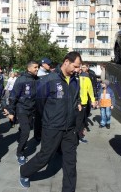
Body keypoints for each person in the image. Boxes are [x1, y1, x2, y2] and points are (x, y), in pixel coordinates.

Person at [19, 52, 82, 191]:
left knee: (71, 162)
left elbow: (75, 99)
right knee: (45, 156)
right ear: (66, 62)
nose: (77, 70)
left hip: (70, 129)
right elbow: (40, 104)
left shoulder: (75, 81)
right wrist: (50, 118)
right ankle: (24, 172)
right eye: (75, 66)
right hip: (52, 126)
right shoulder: (49, 80)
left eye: (79, 67)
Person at [4, 61, 39, 165]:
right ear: (29, 68)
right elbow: (13, 96)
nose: (37, 69)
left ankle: (21, 137)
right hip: (22, 109)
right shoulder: (21, 80)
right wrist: (11, 111)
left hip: (31, 110)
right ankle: (20, 153)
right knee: (26, 131)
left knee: (24, 129)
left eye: (38, 67)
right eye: (35, 67)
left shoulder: (37, 80)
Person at [77, 67, 96, 143]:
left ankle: (79, 136)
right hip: (73, 103)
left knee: (80, 121)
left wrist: (93, 100)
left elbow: (90, 90)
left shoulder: (86, 78)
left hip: (83, 103)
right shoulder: (71, 77)